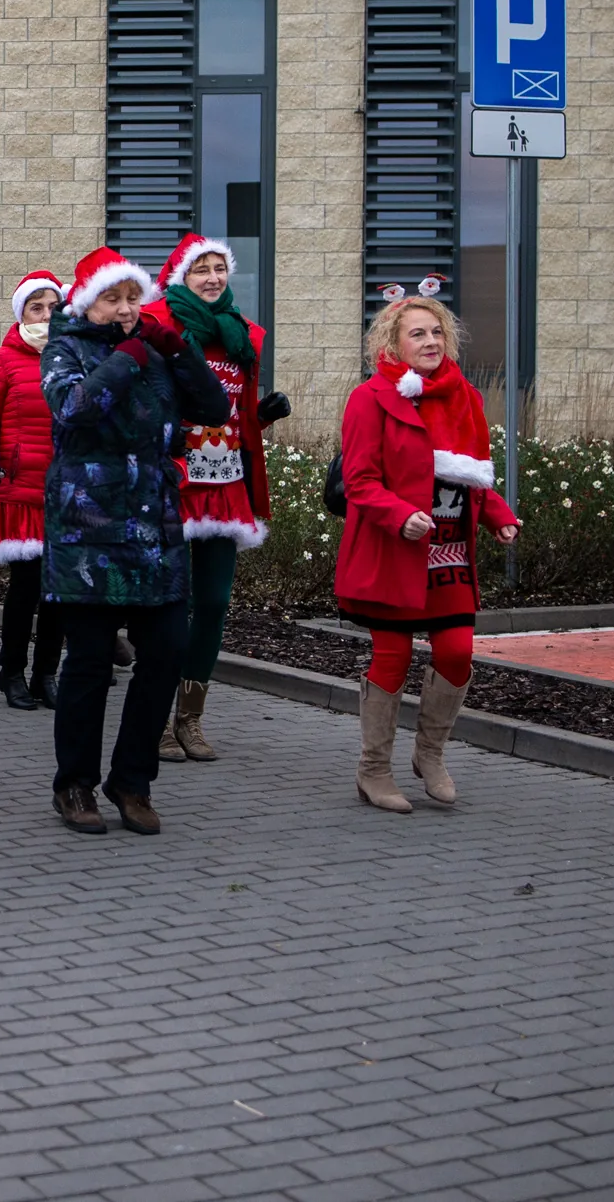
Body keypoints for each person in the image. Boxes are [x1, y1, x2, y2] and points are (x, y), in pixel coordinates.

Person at [41, 246, 230, 839]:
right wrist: (124, 357)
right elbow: (75, 408)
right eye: (112, 298)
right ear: (87, 301)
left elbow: (215, 408)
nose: (126, 309)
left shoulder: (156, 348)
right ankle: (74, 784)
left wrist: (176, 349)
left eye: (133, 297)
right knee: (91, 663)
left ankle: (132, 780)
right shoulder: (63, 347)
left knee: (167, 653)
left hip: (154, 529)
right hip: (87, 532)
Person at [334, 293, 521, 813]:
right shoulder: (369, 399)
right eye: (417, 334)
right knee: (392, 657)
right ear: (392, 342)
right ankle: (374, 770)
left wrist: (498, 516)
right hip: (393, 551)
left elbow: (472, 477)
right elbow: (361, 481)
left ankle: (430, 754)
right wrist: (401, 515)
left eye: (436, 332)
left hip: (450, 555)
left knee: (457, 653)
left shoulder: (465, 397)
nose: (430, 341)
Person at [139, 235, 291, 762]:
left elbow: (238, 413)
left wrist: (264, 416)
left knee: (214, 603)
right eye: (200, 269)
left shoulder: (241, 335)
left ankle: (190, 718)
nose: (211, 278)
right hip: (173, 483)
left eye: (219, 268)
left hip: (225, 485)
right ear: (182, 276)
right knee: (166, 605)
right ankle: (154, 719)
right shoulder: (160, 328)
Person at [0, 271, 67, 711]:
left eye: (53, 307)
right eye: (37, 307)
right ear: (22, 313)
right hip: (20, 487)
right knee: (25, 588)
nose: (46, 315)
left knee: (58, 591)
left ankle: (47, 673)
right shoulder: (2, 360)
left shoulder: (75, 358)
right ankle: (11, 672)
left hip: (67, 491)